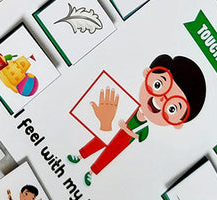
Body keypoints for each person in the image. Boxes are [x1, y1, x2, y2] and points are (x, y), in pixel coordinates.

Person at [68, 54, 206, 185]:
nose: (161, 99)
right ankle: (80, 156)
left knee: (108, 156)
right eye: (158, 85)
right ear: (147, 73)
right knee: (99, 140)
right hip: (110, 127)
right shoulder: (127, 106)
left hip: (120, 144)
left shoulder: (144, 127)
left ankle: (91, 172)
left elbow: (138, 136)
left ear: (177, 123)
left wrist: (126, 129)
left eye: (172, 108)